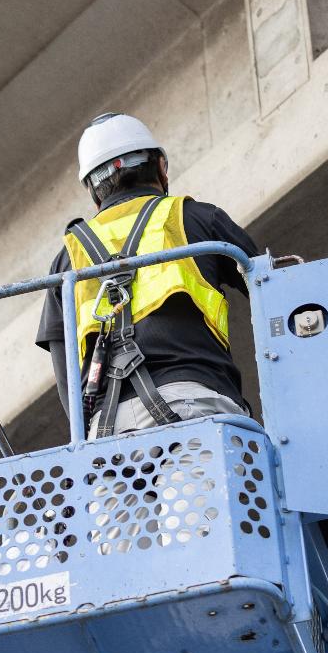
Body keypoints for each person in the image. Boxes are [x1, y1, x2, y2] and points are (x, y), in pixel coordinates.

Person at [35, 113, 260, 436]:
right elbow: (276, 291)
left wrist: (85, 445)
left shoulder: (68, 259)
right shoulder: (192, 218)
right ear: (160, 167)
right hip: (194, 407)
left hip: (107, 433)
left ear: (94, 192)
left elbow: (66, 378)